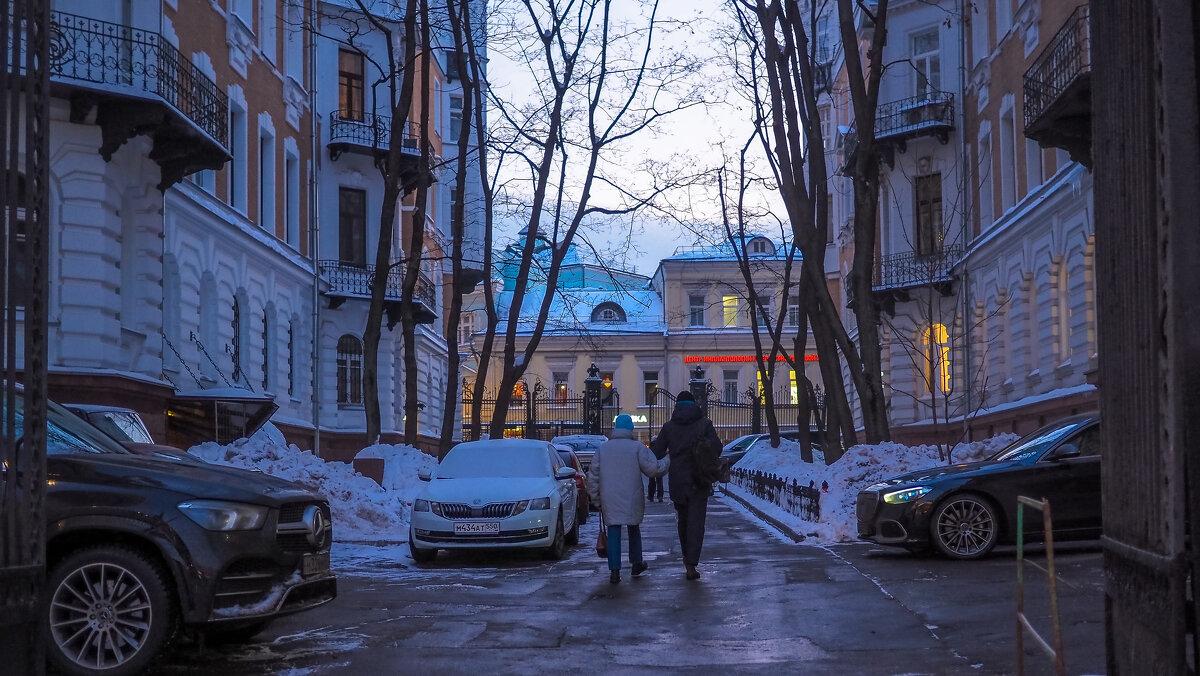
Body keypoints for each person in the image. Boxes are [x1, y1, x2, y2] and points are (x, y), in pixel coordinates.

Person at [586, 414, 669, 584]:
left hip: (609, 498)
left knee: (614, 531)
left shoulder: (603, 449)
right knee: (633, 529)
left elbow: (593, 477)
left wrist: (596, 499)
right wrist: (669, 459)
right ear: (630, 429)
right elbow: (653, 470)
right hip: (632, 496)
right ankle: (636, 563)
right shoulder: (637, 447)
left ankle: (614, 571)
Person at [650, 390, 721, 581]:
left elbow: (656, 453)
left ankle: (686, 559)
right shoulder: (705, 425)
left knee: (683, 520)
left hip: (678, 482)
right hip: (700, 480)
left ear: (677, 407)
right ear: (694, 405)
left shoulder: (669, 427)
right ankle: (692, 562)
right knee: (696, 523)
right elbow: (718, 447)